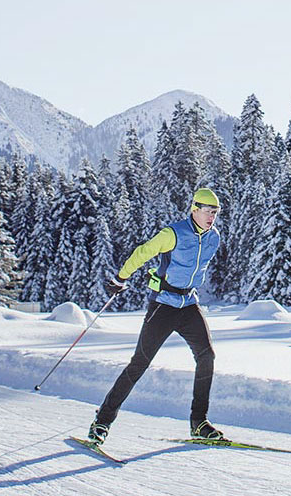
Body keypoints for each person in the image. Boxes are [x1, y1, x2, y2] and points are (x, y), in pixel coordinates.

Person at [87, 187, 225, 444]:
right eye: (207, 211)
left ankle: (199, 422)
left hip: (188, 304)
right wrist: (120, 278)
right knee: (139, 363)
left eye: (215, 213)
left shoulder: (213, 237)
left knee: (206, 357)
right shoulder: (172, 234)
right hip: (163, 305)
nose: (211, 217)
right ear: (194, 209)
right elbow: (142, 253)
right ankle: (102, 421)